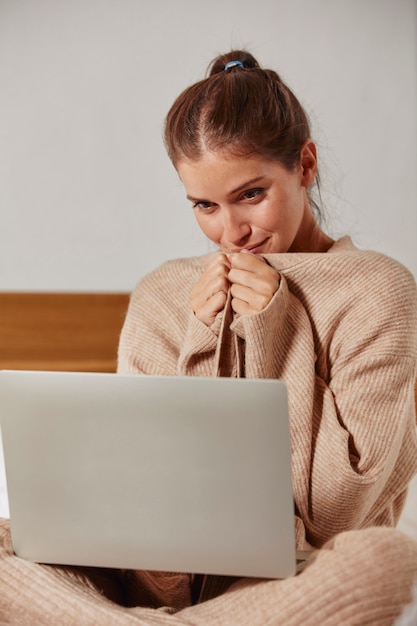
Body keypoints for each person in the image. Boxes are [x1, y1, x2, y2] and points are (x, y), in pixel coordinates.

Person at [1, 49, 417, 626]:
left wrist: (280, 330)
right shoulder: (163, 291)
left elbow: (333, 517)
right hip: (149, 578)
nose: (232, 233)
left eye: (251, 194)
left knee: (383, 558)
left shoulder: (377, 290)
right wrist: (200, 338)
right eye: (204, 205)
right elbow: (149, 502)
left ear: (305, 163)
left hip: (291, 578)